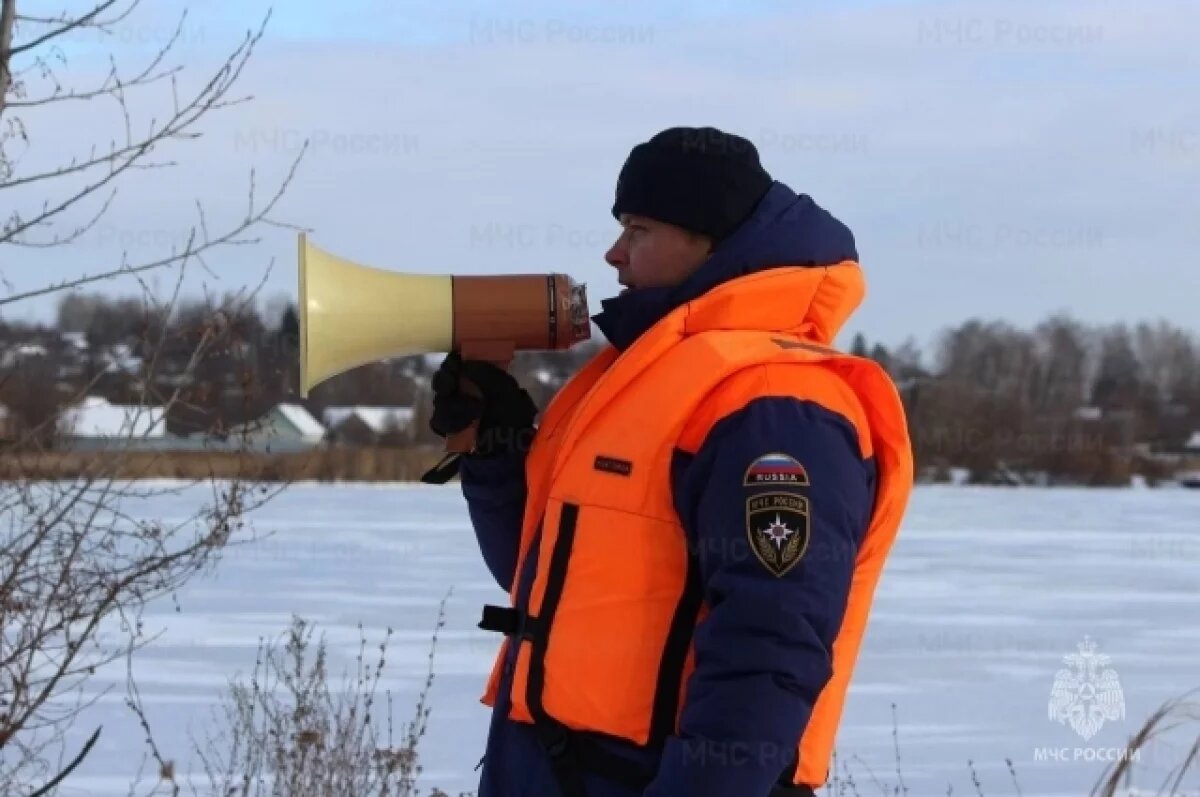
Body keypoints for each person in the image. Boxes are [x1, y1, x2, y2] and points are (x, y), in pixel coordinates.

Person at [425, 127, 915, 797]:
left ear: (711, 240)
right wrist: (495, 456)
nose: (614, 252)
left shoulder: (778, 405)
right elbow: (548, 583)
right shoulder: (637, 376)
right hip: (552, 767)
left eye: (639, 228)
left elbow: (770, 643)